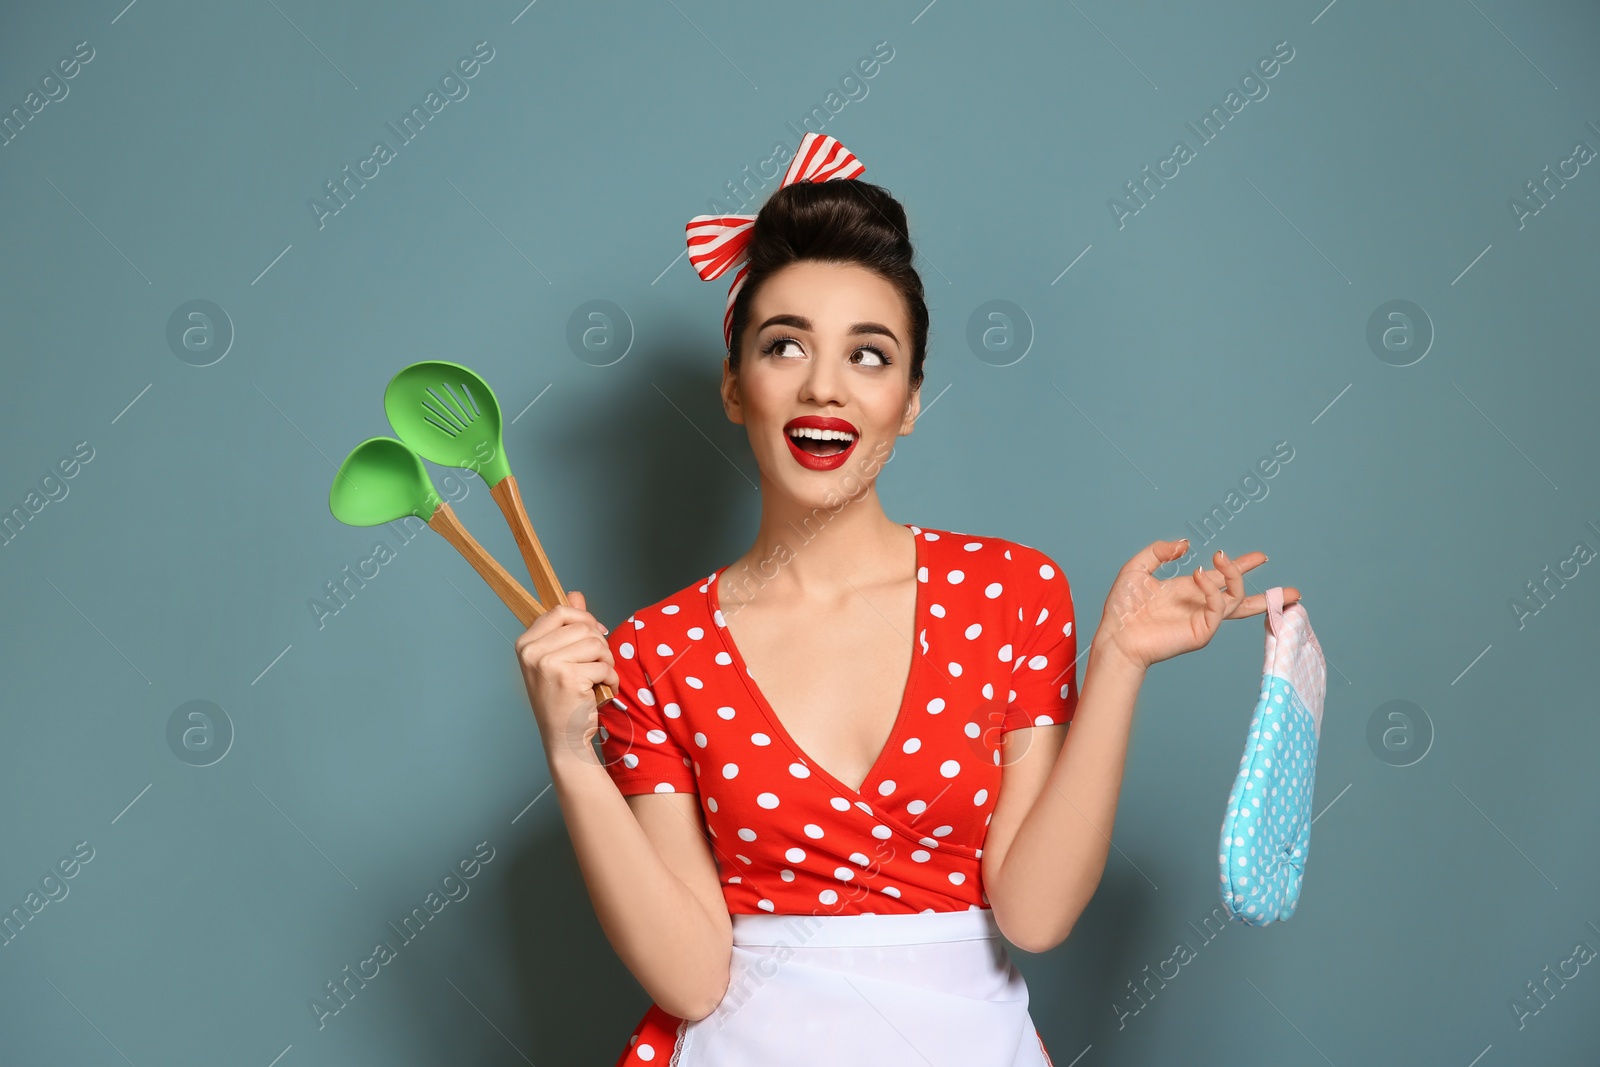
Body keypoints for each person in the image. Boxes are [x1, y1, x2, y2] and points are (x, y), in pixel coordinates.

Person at [514, 133, 1301, 1066]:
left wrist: (1120, 661)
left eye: (870, 355)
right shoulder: (654, 651)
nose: (824, 387)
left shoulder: (1012, 593)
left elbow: (1037, 912)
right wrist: (572, 758)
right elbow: (692, 979)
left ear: (913, 397)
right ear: (735, 385)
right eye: (784, 345)